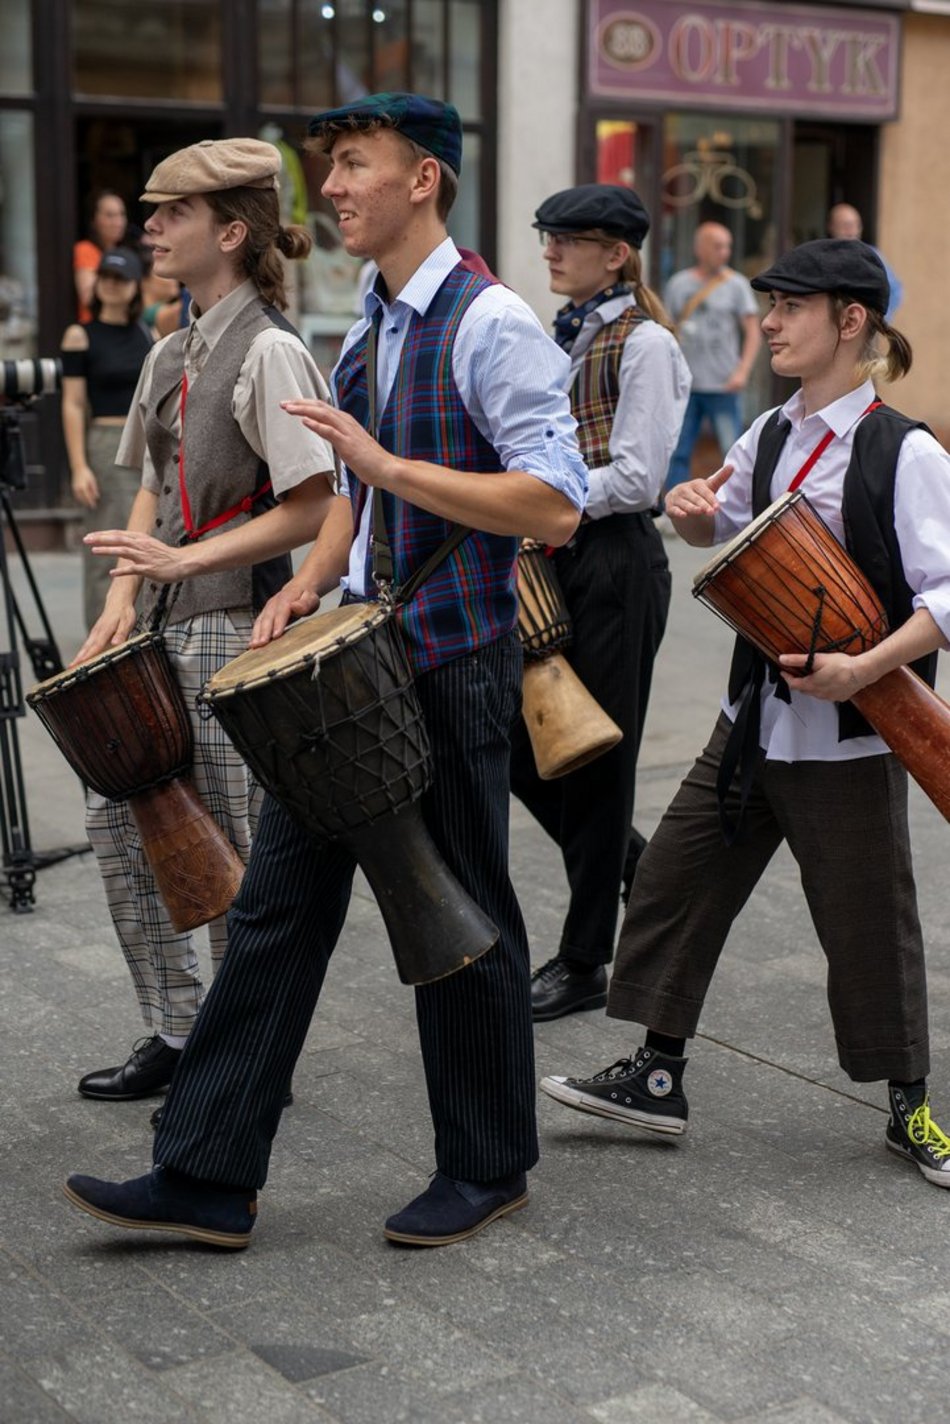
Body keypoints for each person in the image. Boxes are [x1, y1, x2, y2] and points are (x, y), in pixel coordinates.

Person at [62, 92, 587, 1250]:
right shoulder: (374, 315)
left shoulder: (491, 320)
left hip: (452, 662)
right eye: (331, 166)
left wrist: (383, 467)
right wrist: (312, 573)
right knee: (275, 905)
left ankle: (487, 1163)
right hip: (353, 664)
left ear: (423, 181)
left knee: (455, 910)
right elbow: (349, 492)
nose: (333, 187)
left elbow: (551, 502)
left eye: (354, 164)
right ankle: (205, 1170)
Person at [539, 238, 950, 1191]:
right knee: (677, 881)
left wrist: (868, 669)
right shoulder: (768, 434)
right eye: (768, 305)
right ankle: (657, 1072)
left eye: (790, 308)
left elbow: (945, 595)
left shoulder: (906, 449)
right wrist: (687, 508)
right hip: (750, 719)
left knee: (867, 923)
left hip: (848, 734)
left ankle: (911, 1107)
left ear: (852, 322)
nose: (768, 323)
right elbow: (712, 524)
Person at [71, 138, 337, 1108]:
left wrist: (183, 561)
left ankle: (246, 1041)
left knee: (233, 841)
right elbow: (147, 486)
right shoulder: (169, 350)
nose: (150, 228)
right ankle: (177, 1026)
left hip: (237, 626)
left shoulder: (271, 348)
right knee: (117, 818)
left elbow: (313, 500)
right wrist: (117, 600)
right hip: (163, 627)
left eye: (170, 212)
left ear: (229, 230)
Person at [512, 183, 689, 1021]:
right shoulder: (565, 331)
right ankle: (644, 872)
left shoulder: (646, 342)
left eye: (566, 238)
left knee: (598, 761)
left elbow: (640, 477)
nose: (549, 248)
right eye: (545, 235)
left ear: (614, 252)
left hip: (615, 561)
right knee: (524, 749)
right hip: (561, 558)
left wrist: (543, 496)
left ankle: (585, 961)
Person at [60, 246, 154, 630]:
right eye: (107, 277)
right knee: (107, 551)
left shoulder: (149, 333)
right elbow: (72, 404)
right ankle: (100, 644)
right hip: (107, 443)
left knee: (147, 546)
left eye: (122, 279)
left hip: (149, 446)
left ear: (135, 286)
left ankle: (141, 636)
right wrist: (79, 466)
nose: (114, 286)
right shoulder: (80, 335)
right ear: (97, 283)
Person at [664, 222, 760, 488]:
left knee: (733, 453)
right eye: (718, 246)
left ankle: (736, 508)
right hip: (686, 385)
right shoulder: (678, 284)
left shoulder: (737, 285)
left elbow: (753, 331)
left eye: (728, 246)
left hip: (723, 384)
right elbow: (666, 330)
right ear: (700, 248)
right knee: (677, 451)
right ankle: (672, 510)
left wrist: (742, 371)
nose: (725, 252)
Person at [827, 203, 903, 320]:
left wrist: (878, 321)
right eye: (846, 225)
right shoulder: (821, 255)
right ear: (831, 226)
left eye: (855, 224)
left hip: (863, 327)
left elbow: (895, 290)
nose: (851, 230)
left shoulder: (872, 256)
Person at [73, 190, 129, 323]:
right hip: (94, 327)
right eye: (110, 215)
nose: (118, 222)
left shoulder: (125, 253)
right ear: (94, 220)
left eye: (121, 214)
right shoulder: (85, 249)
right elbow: (88, 297)